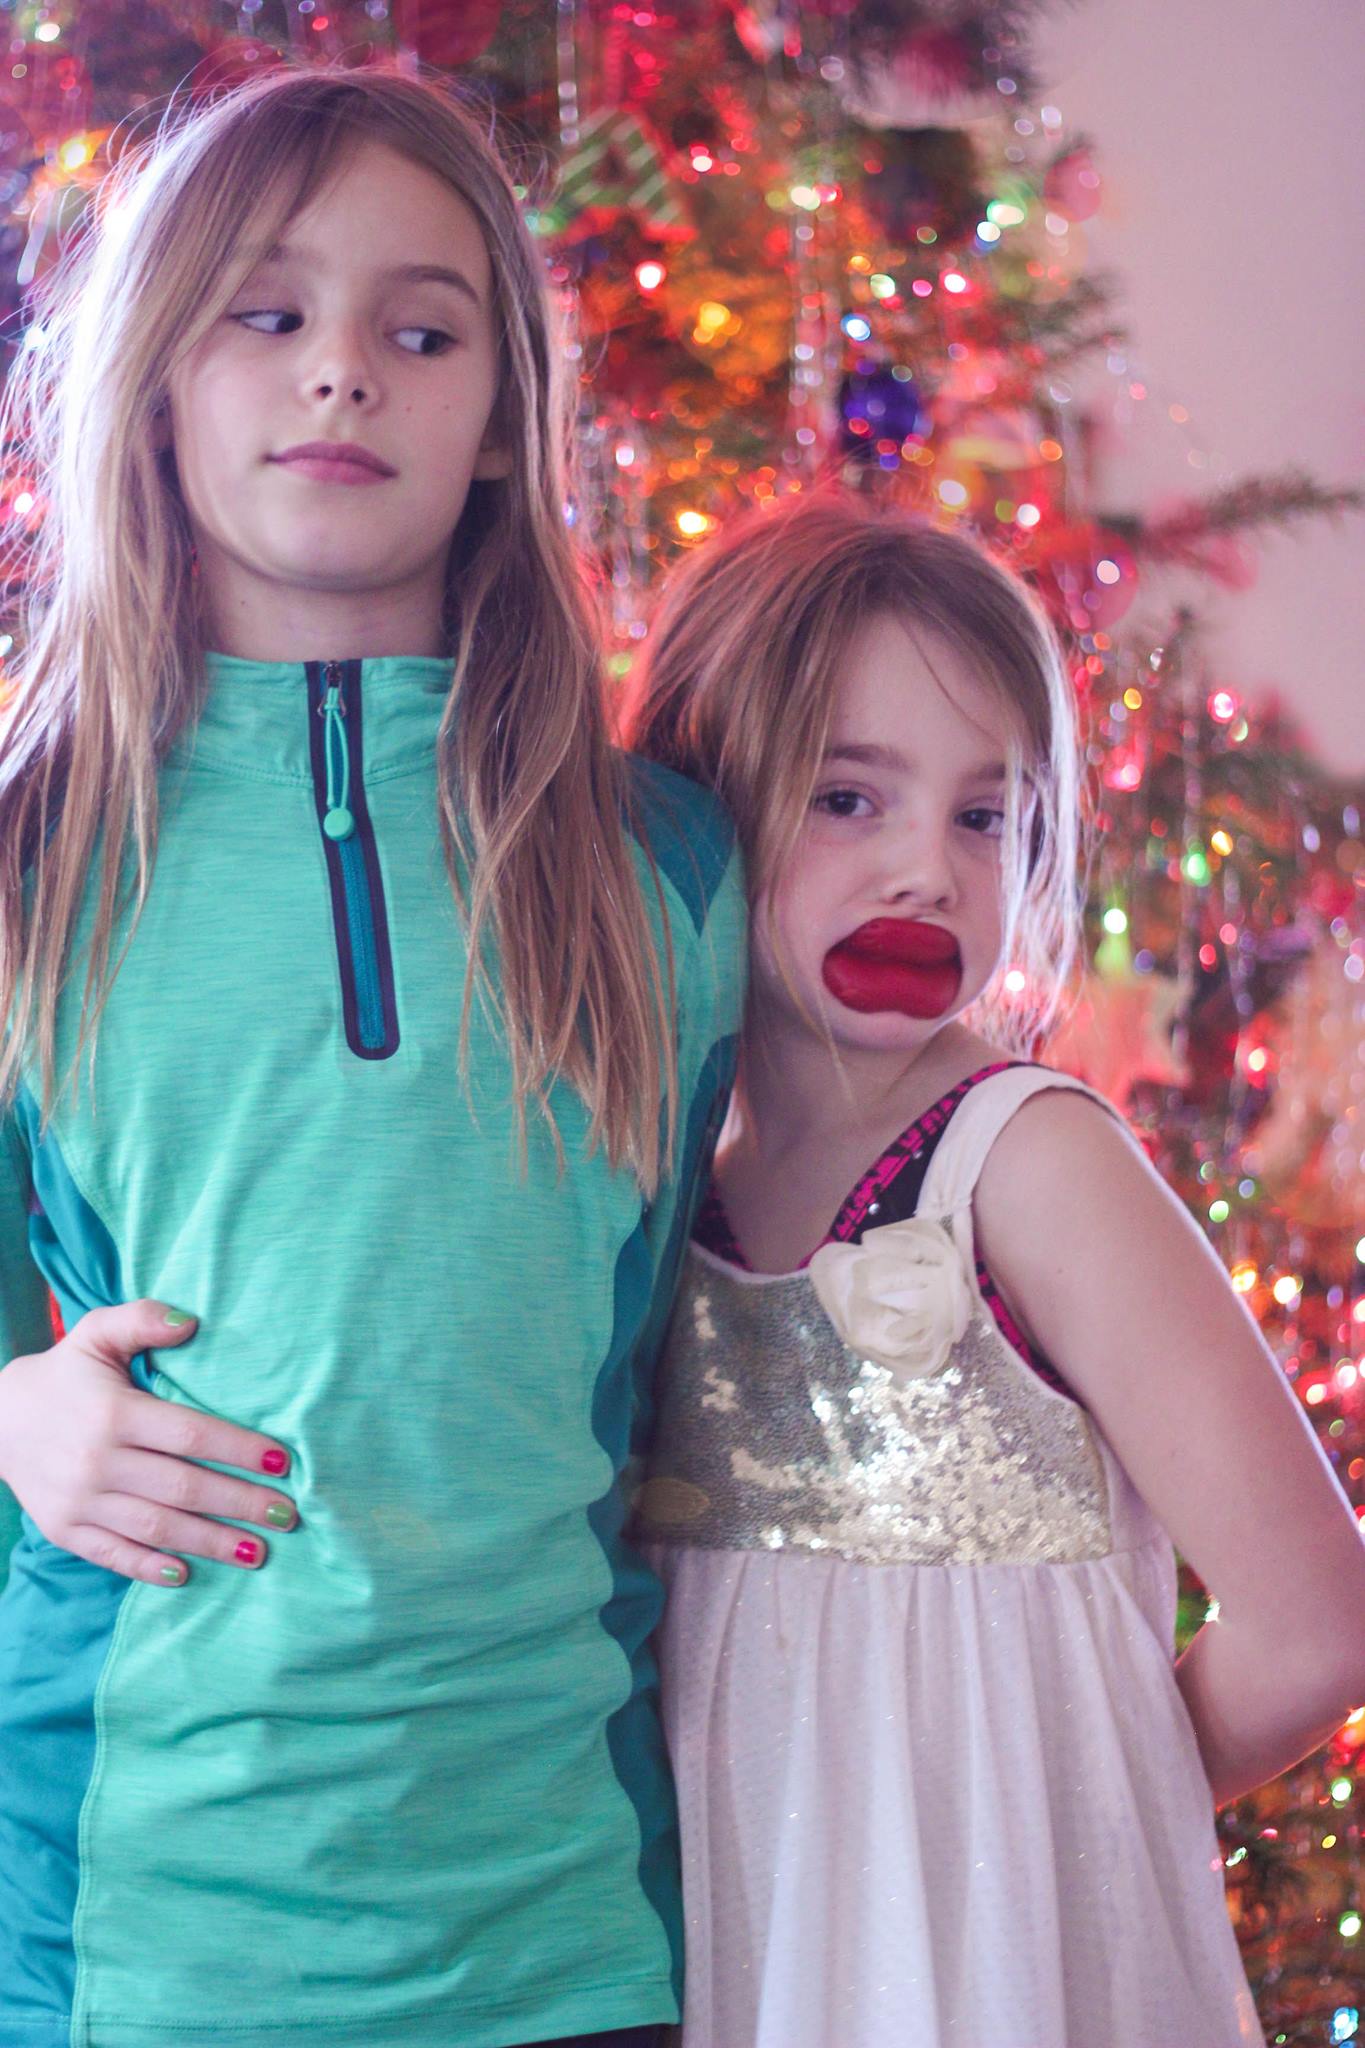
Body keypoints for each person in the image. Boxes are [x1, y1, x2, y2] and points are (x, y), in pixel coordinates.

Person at [0, 66, 744, 2048]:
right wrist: (12, 1414)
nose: (341, 370)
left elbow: (693, 1333)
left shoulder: (664, 870)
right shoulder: (27, 856)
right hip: (120, 1952)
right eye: (268, 313)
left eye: (420, 334)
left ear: (501, 421)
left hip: (562, 1940)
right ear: (156, 383)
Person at [625, 492, 1365, 2048]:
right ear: (695, 802)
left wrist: (1036, 1837)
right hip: (725, 1957)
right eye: (846, 798)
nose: (928, 872)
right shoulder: (655, 1190)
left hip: (990, 1978)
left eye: (986, 815)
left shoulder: (1027, 1165)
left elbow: (1315, 1624)